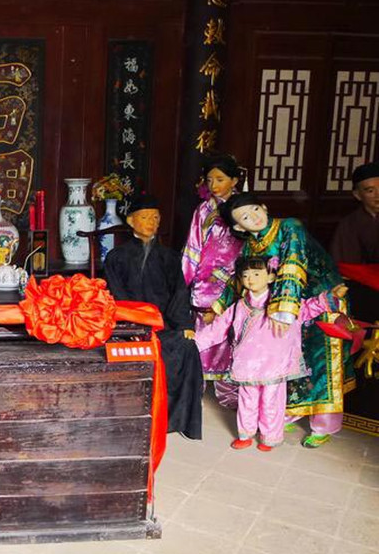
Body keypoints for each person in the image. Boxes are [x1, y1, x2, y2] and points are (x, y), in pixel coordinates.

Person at [215, 193, 355, 447]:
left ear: (264, 206)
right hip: (284, 307)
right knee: (290, 361)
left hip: (319, 299)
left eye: (255, 209)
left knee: (321, 362)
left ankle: (324, 424)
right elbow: (240, 278)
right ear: (239, 227)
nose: (254, 217)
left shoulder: (290, 227)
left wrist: (283, 311)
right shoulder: (251, 245)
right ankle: (287, 413)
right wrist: (219, 306)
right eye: (245, 217)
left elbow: (292, 264)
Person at [196, 256, 347, 451]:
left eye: (256, 274)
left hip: (275, 364)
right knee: (247, 400)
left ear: (270, 277)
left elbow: (308, 308)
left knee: (272, 402)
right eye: (245, 275)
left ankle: (270, 437)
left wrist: (329, 298)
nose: (250, 279)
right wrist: (194, 343)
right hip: (248, 363)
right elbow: (217, 329)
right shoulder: (239, 306)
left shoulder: (284, 305)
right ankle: (245, 434)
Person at [104, 193, 204, 439]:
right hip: (129, 326)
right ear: (131, 221)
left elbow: (179, 293)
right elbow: (116, 295)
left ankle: (177, 420)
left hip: (164, 325)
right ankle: (132, 418)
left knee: (187, 347)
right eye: (145, 217)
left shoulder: (170, 257)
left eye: (156, 218)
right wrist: (132, 324)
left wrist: (183, 324)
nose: (152, 222)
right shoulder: (116, 257)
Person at [181, 154, 245, 408]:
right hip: (206, 279)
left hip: (237, 279)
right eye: (210, 180)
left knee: (233, 333)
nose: (214, 185)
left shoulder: (245, 207)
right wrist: (185, 280)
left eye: (220, 179)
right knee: (202, 331)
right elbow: (193, 247)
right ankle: (196, 384)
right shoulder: (203, 210)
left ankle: (229, 389)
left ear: (235, 180)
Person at [330, 161, 379, 264]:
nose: (377, 195)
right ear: (357, 195)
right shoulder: (348, 224)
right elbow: (345, 264)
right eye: (370, 191)